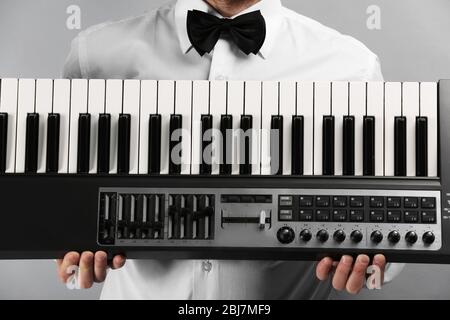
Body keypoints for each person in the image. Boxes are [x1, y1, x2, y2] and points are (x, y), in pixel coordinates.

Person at [58, 0, 404, 299]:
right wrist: (62, 235)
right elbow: (64, 200)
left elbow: (390, 210)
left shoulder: (351, 67)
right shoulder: (96, 56)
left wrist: (378, 253)